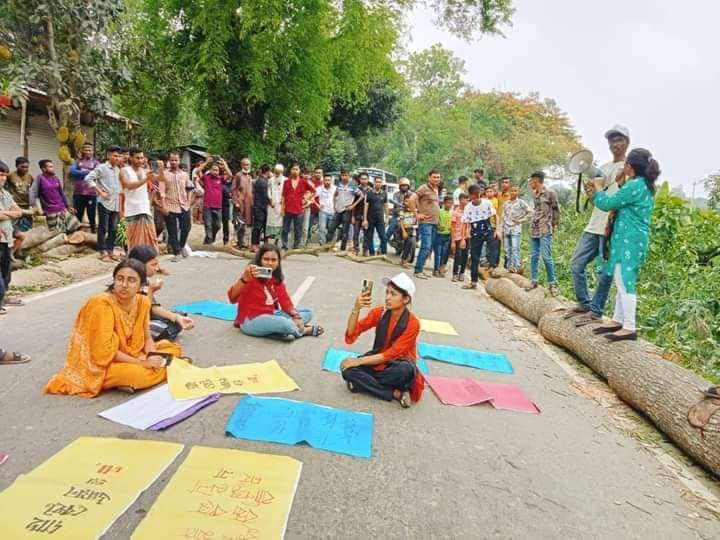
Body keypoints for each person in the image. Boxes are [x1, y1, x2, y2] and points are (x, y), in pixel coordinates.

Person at [44, 259, 182, 397]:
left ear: (141, 286)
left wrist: (154, 357)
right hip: (103, 363)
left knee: (173, 348)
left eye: (131, 280)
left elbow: (147, 338)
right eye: (120, 279)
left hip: (132, 354)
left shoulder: (143, 302)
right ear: (114, 281)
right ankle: (166, 369)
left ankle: (159, 369)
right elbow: (104, 351)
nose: (124, 285)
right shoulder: (101, 304)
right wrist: (142, 363)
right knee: (135, 375)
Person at [590, 148, 660, 341]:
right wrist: (621, 185)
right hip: (631, 240)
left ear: (630, 166)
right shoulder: (643, 185)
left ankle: (629, 326)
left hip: (629, 241)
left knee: (624, 282)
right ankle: (618, 320)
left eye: (626, 163)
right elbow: (625, 203)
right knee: (620, 280)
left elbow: (607, 204)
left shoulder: (634, 185)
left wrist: (597, 187)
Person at [568, 125, 630, 324]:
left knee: (604, 271)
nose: (614, 144)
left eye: (618, 140)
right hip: (593, 225)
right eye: (611, 140)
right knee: (576, 265)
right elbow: (598, 197)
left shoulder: (629, 168)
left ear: (626, 142)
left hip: (610, 228)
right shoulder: (603, 168)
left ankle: (596, 311)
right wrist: (592, 194)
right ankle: (584, 303)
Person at [340, 272, 424, 408]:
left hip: (397, 366)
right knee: (347, 370)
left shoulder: (413, 323)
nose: (387, 298)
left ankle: (364, 384)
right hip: (378, 363)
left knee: (403, 371)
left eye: (393, 294)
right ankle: (395, 393)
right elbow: (352, 332)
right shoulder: (379, 313)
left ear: (406, 299)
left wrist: (358, 361)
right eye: (387, 293)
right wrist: (356, 308)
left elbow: (391, 354)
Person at [227, 243, 323, 338]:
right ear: (259, 260)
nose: (270, 263)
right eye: (266, 259)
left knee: (308, 312)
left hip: (271, 315)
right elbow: (232, 297)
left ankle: (284, 329)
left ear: (278, 262)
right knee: (286, 324)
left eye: (274, 260)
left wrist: (296, 316)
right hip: (251, 320)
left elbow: (284, 300)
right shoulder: (251, 275)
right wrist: (244, 279)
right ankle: (303, 330)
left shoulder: (275, 278)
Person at [127, 245, 195, 340]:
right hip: (131, 322)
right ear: (140, 265)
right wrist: (151, 291)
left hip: (144, 317)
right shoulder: (128, 283)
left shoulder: (144, 280)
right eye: (153, 264)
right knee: (160, 328)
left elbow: (153, 307)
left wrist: (176, 317)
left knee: (180, 315)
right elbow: (141, 314)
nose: (157, 268)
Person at [85, 145, 122, 262]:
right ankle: (102, 251)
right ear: (108, 156)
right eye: (115, 155)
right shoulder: (102, 168)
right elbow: (88, 178)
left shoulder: (118, 170)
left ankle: (110, 250)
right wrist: (100, 192)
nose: (117, 158)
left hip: (115, 204)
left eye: (119, 156)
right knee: (103, 227)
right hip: (104, 203)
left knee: (114, 228)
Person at [525, 171, 560, 296]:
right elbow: (536, 211)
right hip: (534, 228)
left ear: (536, 180)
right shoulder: (535, 195)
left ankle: (552, 283)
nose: (530, 183)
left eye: (531, 181)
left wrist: (555, 225)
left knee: (546, 256)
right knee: (534, 256)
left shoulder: (550, 193)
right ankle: (534, 281)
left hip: (545, 228)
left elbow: (556, 209)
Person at [120, 148, 159, 252]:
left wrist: (162, 168)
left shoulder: (145, 171)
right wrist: (146, 179)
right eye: (137, 158)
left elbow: (161, 179)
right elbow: (129, 186)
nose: (140, 160)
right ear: (131, 158)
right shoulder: (124, 171)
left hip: (145, 210)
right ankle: (134, 265)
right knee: (134, 243)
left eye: (142, 158)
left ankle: (153, 265)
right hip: (132, 211)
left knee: (152, 241)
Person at [157, 152, 192, 260]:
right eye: (172, 160)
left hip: (183, 205)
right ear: (169, 161)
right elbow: (162, 192)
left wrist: (189, 202)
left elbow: (190, 188)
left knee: (186, 228)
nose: (174, 162)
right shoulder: (164, 174)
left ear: (179, 161)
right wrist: (163, 206)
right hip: (169, 205)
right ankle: (176, 253)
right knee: (172, 231)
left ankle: (181, 246)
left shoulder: (184, 175)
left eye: (176, 160)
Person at [29, 159, 81, 233]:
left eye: (53, 166)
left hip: (62, 209)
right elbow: (32, 192)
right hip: (50, 211)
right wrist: (34, 206)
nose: (53, 168)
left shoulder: (56, 178)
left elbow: (62, 194)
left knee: (75, 226)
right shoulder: (39, 178)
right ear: (43, 169)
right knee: (56, 233)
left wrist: (68, 206)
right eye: (50, 167)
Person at [0, 160, 24, 313]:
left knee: (5, 269)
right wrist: (10, 214)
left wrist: (4, 214)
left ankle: (4, 296)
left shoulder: (5, 193)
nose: (3, 178)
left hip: (6, 236)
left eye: (4, 175)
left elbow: (19, 211)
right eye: (0, 175)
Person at [461, 184, 496, 289]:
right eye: (474, 195)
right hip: (475, 233)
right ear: (471, 196)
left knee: (494, 246)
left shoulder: (487, 203)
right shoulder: (468, 207)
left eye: (478, 195)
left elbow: (495, 215)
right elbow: (465, 223)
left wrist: (497, 230)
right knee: (475, 257)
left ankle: (491, 268)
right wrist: (463, 238)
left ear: (480, 193)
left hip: (488, 230)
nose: (476, 197)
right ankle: (473, 281)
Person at [414, 169, 441, 279]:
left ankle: (420, 268)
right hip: (426, 222)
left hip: (434, 223)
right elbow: (412, 199)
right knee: (425, 246)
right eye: (434, 177)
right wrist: (417, 214)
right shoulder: (423, 188)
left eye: (438, 177)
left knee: (428, 247)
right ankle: (418, 270)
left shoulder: (436, 189)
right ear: (429, 178)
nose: (436, 179)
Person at [7, 157, 35, 259]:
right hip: (14, 208)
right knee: (13, 230)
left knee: (26, 229)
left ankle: (20, 251)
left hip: (26, 207)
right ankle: (9, 252)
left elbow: (32, 192)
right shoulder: (10, 176)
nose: (25, 169)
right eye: (22, 167)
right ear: (16, 166)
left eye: (27, 167)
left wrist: (33, 205)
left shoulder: (30, 177)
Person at [281, 163, 313, 250]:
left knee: (298, 229)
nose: (295, 171)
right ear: (290, 171)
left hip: (299, 209)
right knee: (285, 229)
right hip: (287, 208)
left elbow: (313, 191)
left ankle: (296, 245)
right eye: (293, 169)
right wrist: (282, 208)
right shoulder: (286, 182)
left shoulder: (303, 182)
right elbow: (283, 195)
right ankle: (284, 245)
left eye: (296, 169)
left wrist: (306, 199)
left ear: (299, 171)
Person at [69, 143, 100, 233]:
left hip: (91, 193)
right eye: (86, 150)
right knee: (77, 215)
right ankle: (76, 233)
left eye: (90, 150)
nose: (87, 152)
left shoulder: (96, 163)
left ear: (93, 152)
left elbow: (96, 174)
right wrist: (88, 172)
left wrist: (81, 171)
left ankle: (93, 234)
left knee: (92, 216)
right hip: (78, 193)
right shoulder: (77, 162)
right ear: (82, 151)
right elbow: (72, 172)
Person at [501, 184, 531, 273]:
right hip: (506, 228)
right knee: (507, 248)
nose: (513, 192)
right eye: (512, 190)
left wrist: (521, 220)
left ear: (518, 192)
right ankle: (510, 266)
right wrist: (501, 228)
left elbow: (530, 212)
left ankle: (517, 266)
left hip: (515, 228)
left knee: (515, 247)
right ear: (509, 192)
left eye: (515, 190)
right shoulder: (506, 203)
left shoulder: (521, 202)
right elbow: (503, 216)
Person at [326, 168, 356, 250]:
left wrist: (352, 205)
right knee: (331, 228)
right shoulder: (339, 185)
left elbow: (361, 196)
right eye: (343, 175)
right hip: (338, 210)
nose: (344, 177)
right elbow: (335, 195)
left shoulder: (353, 186)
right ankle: (326, 246)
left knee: (345, 231)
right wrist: (334, 205)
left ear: (349, 176)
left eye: (346, 175)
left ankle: (343, 248)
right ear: (341, 176)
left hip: (346, 211)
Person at [231, 157, 254, 248]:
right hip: (240, 204)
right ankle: (240, 242)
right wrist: (235, 202)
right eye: (244, 164)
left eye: (248, 164)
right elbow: (233, 189)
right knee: (239, 223)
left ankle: (243, 242)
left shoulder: (250, 176)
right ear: (241, 165)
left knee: (247, 223)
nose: (246, 166)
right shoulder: (238, 175)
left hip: (248, 204)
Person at [200, 162, 224, 244]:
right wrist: (206, 162)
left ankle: (209, 238)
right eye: (213, 170)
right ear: (210, 170)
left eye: (217, 170)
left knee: (217, 225)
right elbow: (197, 171)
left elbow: (230, 175)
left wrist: (224, 164)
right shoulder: (206, 178)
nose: (215, 171)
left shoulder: (221, 179)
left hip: (218, 206)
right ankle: (209, 240)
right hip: (207, 205)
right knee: (208, 224)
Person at [363, 176, 388, 255]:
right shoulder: (369, 193)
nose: (378, 183)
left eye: (380, 182)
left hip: (380, 218)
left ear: (382, 183)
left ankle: (383, 254)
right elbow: (366, 206)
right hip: (370, 218)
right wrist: (365, 219)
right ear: (374, 183)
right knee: (369, 236)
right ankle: (372, 253)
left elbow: (386, 206)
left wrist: (387, 217)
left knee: (383, 237)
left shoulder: (384, 193)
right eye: (377, 182)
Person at [251, 164, 273, 250]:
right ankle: (254, 245)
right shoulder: (262, 182)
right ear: (267, 171)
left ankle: (258, 244)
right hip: (260, 207)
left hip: (261, 207)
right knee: (258, 226)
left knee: (261, 226)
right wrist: (271, 203)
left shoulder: (261, 180)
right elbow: (265, 196)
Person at [385, 177, 412, 244]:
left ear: (408, 186)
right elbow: (395, 204)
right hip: (397, 216)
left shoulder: (412, 194)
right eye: (402, 185)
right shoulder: (396, 194)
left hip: (408, 215)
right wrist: (402, 207)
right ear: (400, 186)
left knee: (418, 226)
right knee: (391, 229)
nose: (404, 187)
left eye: (405, 185)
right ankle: (382, 246)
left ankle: (415, 240)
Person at [451, 192, 470, 282]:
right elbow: (453, 227)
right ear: (460, 200)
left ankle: (462, 273)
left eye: (467, 199)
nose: (465, 201)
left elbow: (469, 225)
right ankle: (455, 273)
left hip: (467, 236)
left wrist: (466, 237)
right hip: (458, 236)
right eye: (463, 199)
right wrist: (453, 241)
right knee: (458, 255)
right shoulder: (455, 212)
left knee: (465, 255)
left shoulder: (469, 212)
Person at [433, 195, 453, 277]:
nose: (449, 205)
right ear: (444, 203)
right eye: (447, 203)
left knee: (444, 254)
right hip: (438, 235)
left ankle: (441, 269)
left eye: (451, 203)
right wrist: (438, 226)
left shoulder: (452, 213)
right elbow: (435, 221)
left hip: (447, 236)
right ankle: (436, 270)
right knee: (438, 253)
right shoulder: (439, 211)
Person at [350, 173, 370, 255]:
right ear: (359, 180)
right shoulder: (356, 190)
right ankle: (356, 249)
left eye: (365, 179)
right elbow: (353, 203)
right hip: (357, 214)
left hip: (368, 216)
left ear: (368, 180)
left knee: (367, 233)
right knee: (356, 233)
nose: (364, 180)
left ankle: (365, 249)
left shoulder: (371, 191)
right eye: (362, 179)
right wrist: (352, 216)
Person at [304, 166, 323, 245]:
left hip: (322, 209)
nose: (318, 174)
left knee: (323, 227)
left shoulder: (324, 183)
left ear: (322, 174)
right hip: (311, 208)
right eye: (316, 172)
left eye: (319, 173)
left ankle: (323, 243)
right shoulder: (309, 183)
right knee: (308, 226)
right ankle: (306, 241)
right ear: (313, 173)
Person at [266, 164, 285, 242]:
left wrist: (283, 203)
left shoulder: (285, 180)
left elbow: (286, 193)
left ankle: (276, 242)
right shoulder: (270, 180)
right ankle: (268, 240)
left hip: (281, 205)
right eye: (276, 172)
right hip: (272, 205)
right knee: (270, 221)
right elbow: (268, 191)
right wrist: (270, 201)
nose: (277, 174)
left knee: (280, 223)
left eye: (279, 172)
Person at [315, 172, 336, 244]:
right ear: (323, 180)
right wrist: (317, 204)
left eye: (329, 180)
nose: (327, 182)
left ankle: (330, 243)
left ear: (331, 180)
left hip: (333, 211)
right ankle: (322, 244)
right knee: (322, 229)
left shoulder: (335, 188)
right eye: (326, 180)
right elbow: (311, 197)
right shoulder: (319, 189)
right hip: (323, 211)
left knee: (331, 229)